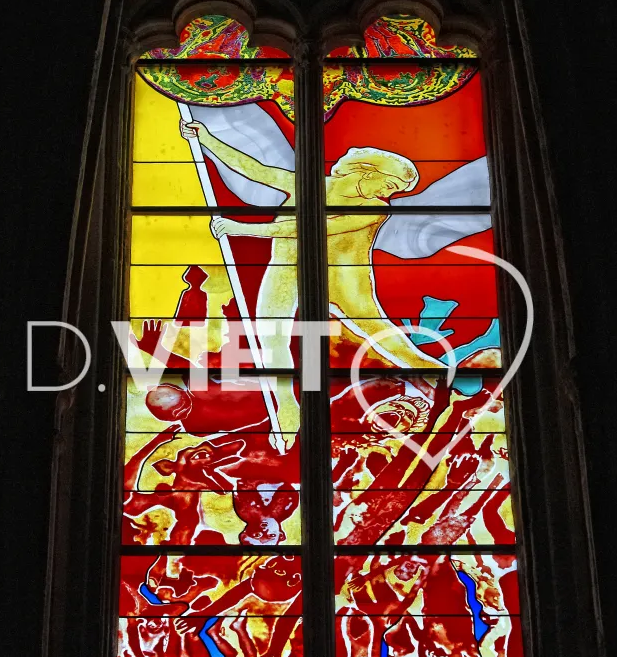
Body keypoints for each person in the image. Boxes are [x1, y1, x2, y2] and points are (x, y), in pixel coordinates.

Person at [179, 119, 447, 435]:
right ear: (369, 172)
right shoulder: (306, 183)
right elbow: (255, 170)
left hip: (344, 280)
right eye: (390, 185)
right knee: (271, 336)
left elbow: (311, 227)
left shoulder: (375, 208)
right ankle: (287, 410)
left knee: (385, 339)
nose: (389, 194)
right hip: (286, 269)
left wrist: (244, 229)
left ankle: (448, 381)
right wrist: (207, 139)